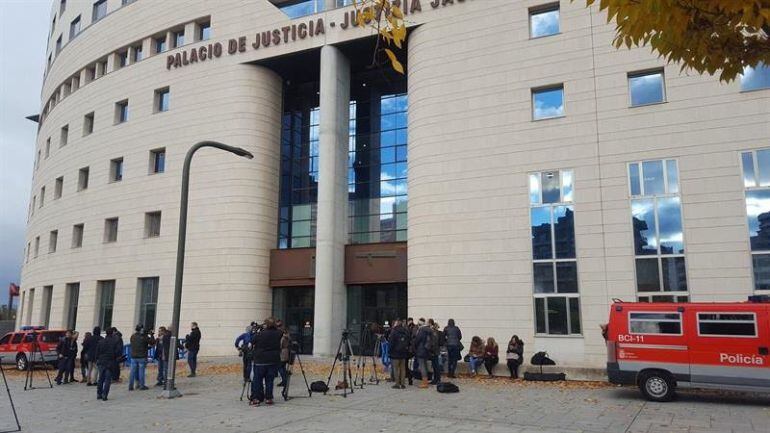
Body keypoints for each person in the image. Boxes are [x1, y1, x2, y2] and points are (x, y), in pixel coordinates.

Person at [249, 317, 282, 406]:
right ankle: (269, 398)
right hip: (273, 360)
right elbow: (280, 332)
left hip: (260, 360)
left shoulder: (260, 334)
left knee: (257, 380)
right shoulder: (278, 333)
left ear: (266, 325)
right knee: (269, 380)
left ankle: (255, 398)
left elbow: (252, 341)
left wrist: (257, 331)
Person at [95, 327, 122, 401]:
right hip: (110, 361)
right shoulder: (115, 342)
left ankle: (99, 394)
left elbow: (97, 352)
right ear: (112, 333)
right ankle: (104, 394)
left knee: (101, 378)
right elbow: (118, 352)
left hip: (101, 361)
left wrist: (97, 359)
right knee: (107, 379)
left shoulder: (101, 342)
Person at [129, 324, 154, 391]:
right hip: (142, 356)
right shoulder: (144, 337)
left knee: (132, 372)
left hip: (133, 356)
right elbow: (152, 342)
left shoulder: (133, 336)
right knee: (141, 372)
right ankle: (141, 385)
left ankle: (130, 386)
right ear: (141, 329)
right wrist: (151, 335)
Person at [388, 319, 410, 389]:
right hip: (403, 352)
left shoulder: (394, 331)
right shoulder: (405, 331)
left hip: (395, 353)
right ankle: (403, 383)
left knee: (396, 368)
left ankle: (397, 383)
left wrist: (389, 351)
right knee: (403, 369)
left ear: (396, 324)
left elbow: (391, 343)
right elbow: (408, 341)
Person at [413, 318, 433, 389]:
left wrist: (414, 346)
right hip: (427, 350)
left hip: (421, 350)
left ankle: (425, 383)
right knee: (425, 365)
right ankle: (426, 381)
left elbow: (417, 340)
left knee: (422, 366)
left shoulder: (421, 330)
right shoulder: (430, 330)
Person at [276, 320, 289, 387]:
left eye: (278, 326)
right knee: (282, 367)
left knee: (280, 367)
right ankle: (284, 380)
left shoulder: (282, 335)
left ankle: (284, 380)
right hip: (285, 352)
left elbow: (280, 345)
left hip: (282, 353)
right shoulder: (286, 334)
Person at [428, 319, 442, 385]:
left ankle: (436, 379)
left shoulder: (433, 332)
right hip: (436, 351)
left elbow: (433, 342)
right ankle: (437, 379)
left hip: (434, 351)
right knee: (436, 365)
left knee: (435, 366)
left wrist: (431, 350)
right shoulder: (436, 332)